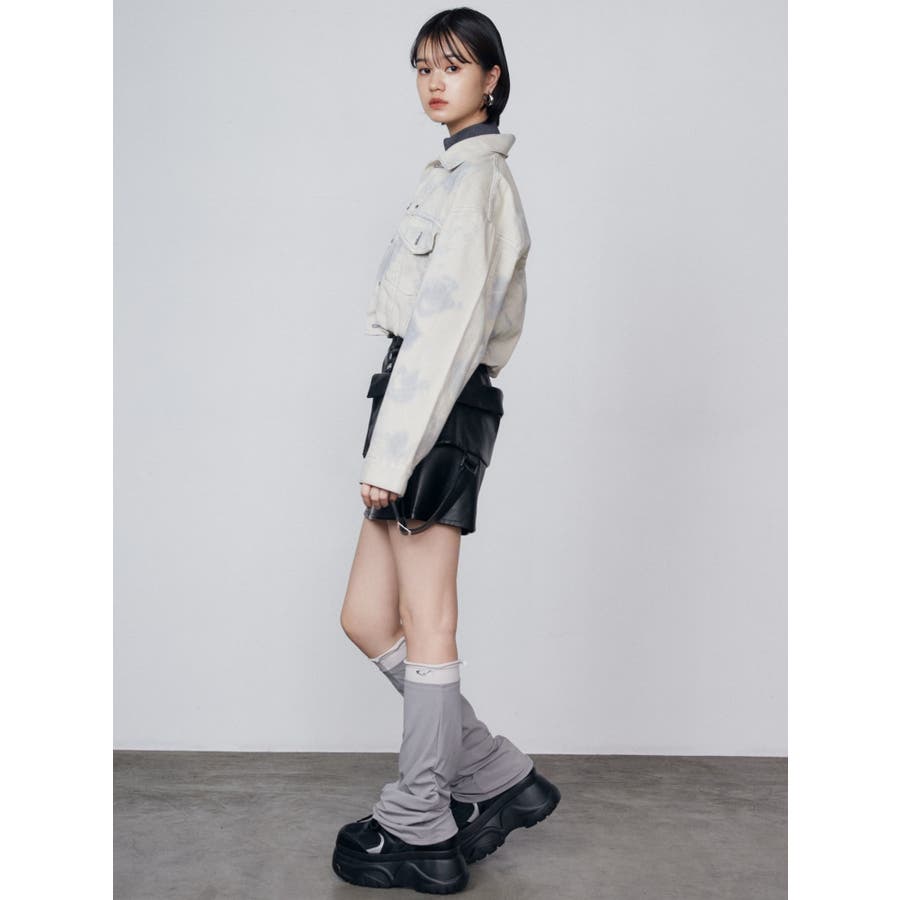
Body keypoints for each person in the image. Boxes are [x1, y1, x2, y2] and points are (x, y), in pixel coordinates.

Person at [333, 9, 560, 894]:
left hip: (434, 414)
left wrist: (391, 459)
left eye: (455, 65)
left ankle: (421, 821)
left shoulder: (480, 187)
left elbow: (447, 335)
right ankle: (495, 772)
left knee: (428, 619)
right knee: (366, 616)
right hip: (407, 405)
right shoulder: (451, 176)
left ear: (492, 78)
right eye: (424, 66)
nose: (435, 81)